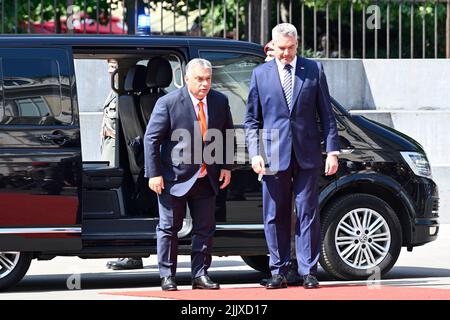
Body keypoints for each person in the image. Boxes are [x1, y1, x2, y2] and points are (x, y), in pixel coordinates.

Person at [245, 23, 340, 289]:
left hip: (307, 153)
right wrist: (255, 154)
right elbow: (252, 120)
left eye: (290, 48)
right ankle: (278, 271)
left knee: (308, 212)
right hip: (273, 156)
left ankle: (308, 270)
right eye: (280, 49)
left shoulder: (313, 69)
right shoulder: (260, 74)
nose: (285, 54)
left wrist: (332, 151)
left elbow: (327, 115)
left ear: (297, 44)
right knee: (275, 214)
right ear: (272, 46)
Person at [144, 58, 233, 291]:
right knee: (168, 228)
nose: (204, 84)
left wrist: (225, 166)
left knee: (205, 228)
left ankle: (200, 274)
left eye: (208, 79)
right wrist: (154, 174)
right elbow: (151, 139)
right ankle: (167, 276)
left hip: (207, 176)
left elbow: (227, 135)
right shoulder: (169, 103)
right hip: (174, 177)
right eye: (199, 79)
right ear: (186, 79)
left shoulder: (220, 101)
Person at [102, 58, 144, 271]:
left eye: (115, 66)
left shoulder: (128, 98)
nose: (111, 70)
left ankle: (131, 254)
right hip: (118, 153)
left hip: (125, 155)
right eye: (109, 66)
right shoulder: (118, 95)